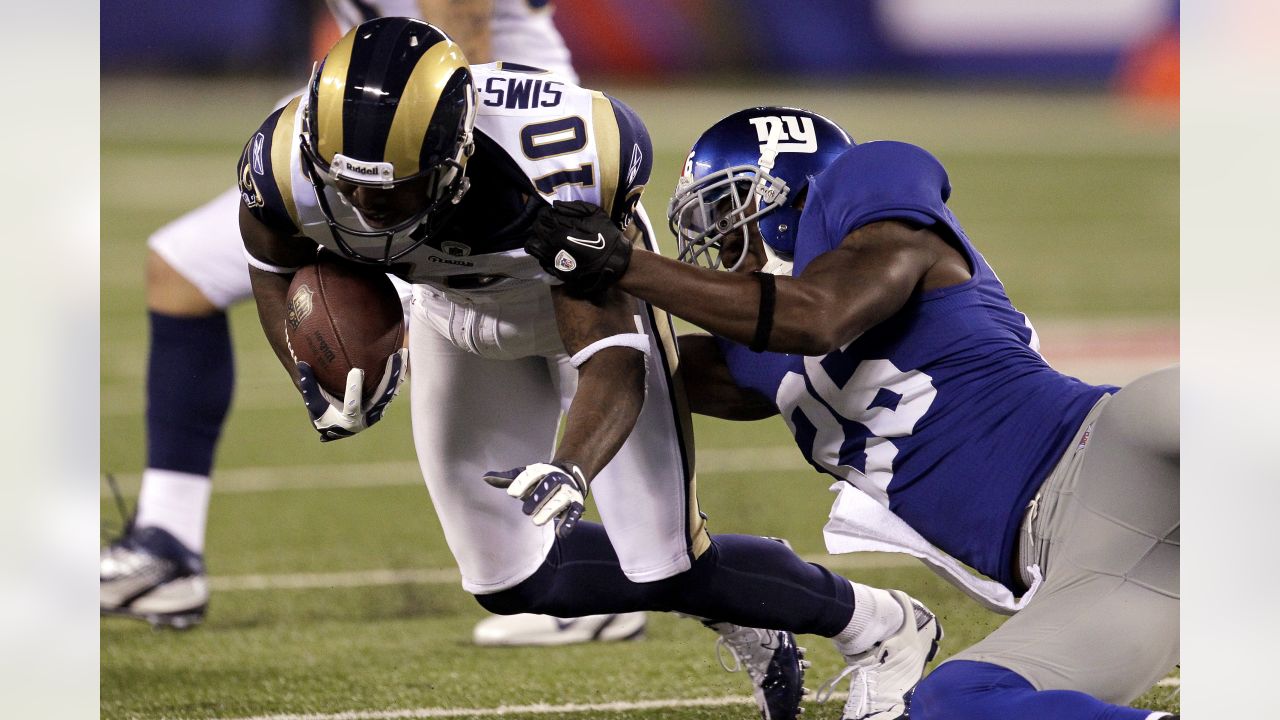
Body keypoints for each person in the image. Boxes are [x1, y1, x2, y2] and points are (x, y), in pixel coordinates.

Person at [236, 19, 947, 720]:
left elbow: (606, 352)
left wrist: (571, 465)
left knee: (669, 562)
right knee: (508, 580)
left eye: (394, 192)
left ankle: (880, 625)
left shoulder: (552, 169)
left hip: (572, 297)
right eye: (350, 188)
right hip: (448, 308)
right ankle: (744, 607)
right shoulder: (280, 162)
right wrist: (313, 371)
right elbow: (273, 270)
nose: (366, 209)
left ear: (451, 153)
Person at [526, 107, 1180, 720]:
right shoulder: (745, 358)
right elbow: (615, 361)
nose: (719, 244)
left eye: (726, 213)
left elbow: (819, 315)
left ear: (786, 195)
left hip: (1121, 452)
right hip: (1084, 566)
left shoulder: (867, 184)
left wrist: (624, 261)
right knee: (957, 701)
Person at [100, 0, 646, 647]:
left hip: (483, 145)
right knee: (184, 268)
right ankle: (167, 543)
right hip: (395, 128)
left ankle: (673, 572)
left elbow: (464, 35)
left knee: (592, 373)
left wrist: (418, 251)